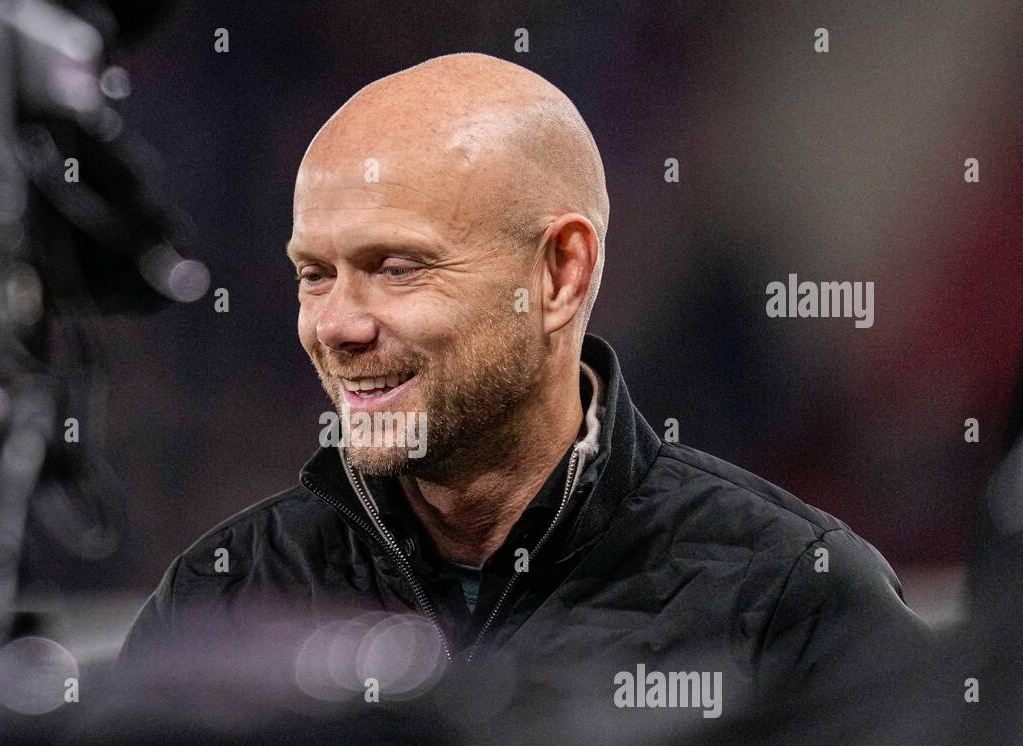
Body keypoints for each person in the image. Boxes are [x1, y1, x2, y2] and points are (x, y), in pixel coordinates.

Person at [121, 53, 928, 703]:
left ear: (560, 274)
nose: (337, 325)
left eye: (398, 268)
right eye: (315, 275)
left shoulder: (793, 598)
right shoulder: (218, 599)